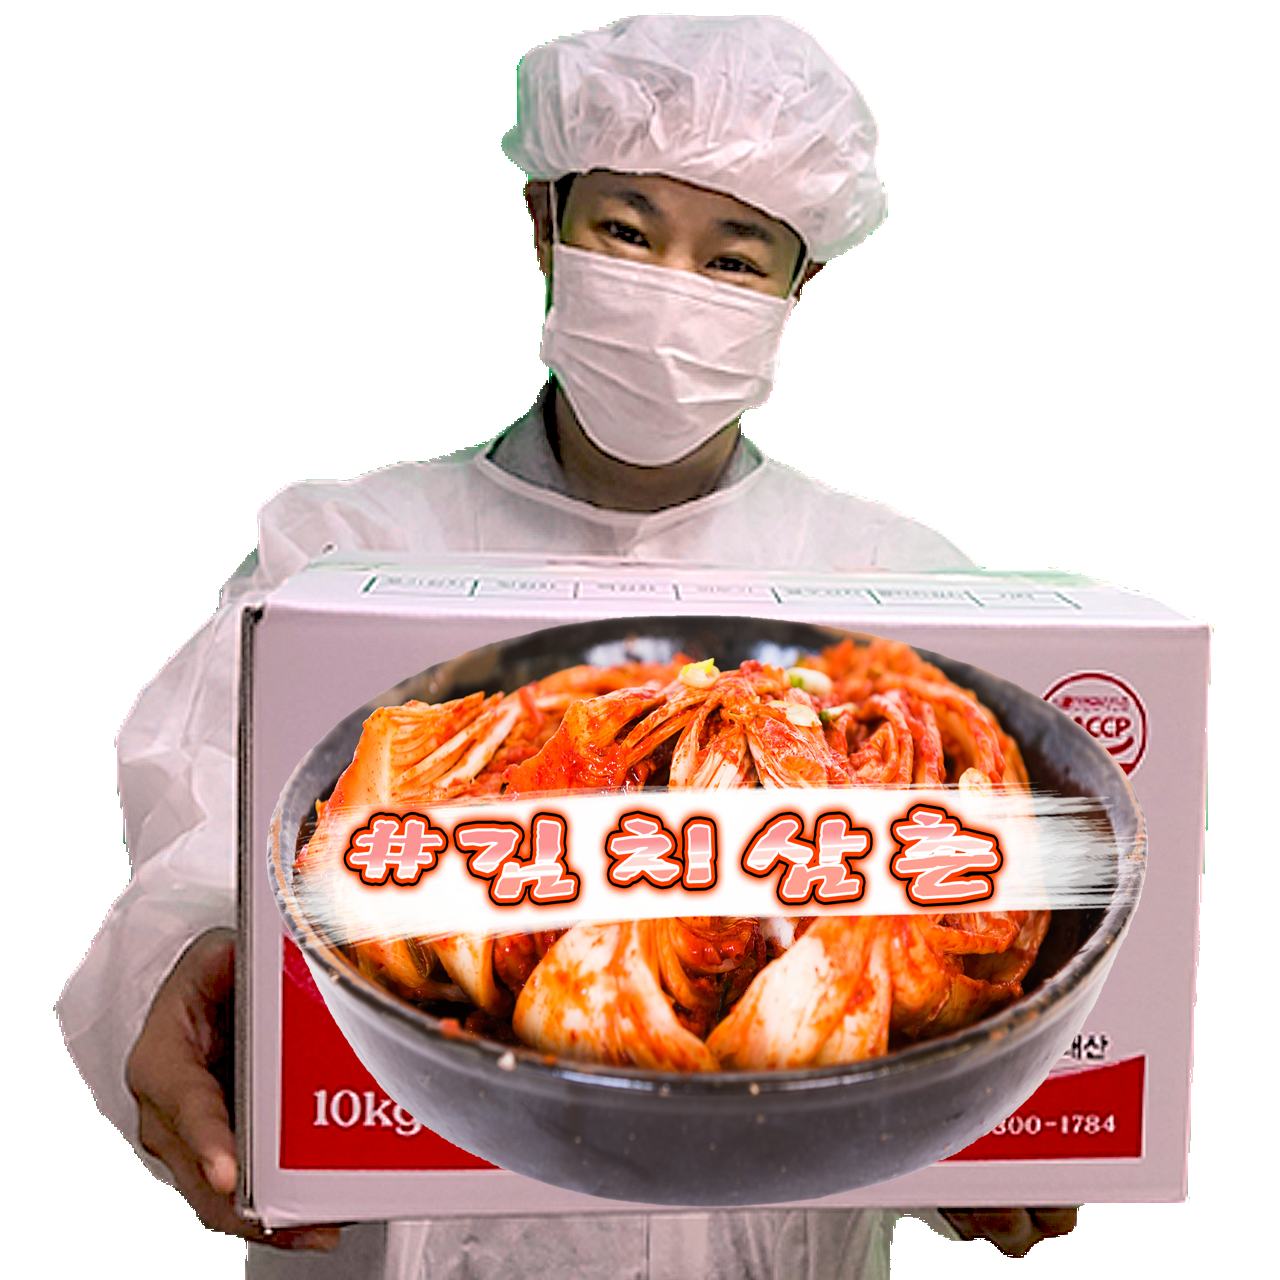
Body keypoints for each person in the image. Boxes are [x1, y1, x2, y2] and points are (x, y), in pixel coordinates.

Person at [58, 15, 1078, 1278]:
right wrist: (190, 977)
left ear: (797, 283)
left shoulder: (896, 593)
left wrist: (1003, 1130)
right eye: (627, 231)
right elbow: (208, 834)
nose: (671, 288)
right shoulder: (345, 553)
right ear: (543, 222)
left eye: (732, 256)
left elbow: (944, 956)